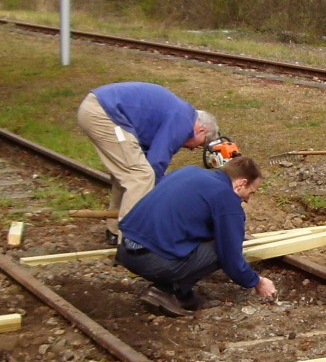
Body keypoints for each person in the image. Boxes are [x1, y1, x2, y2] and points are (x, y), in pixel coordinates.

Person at [115, 155, 277, 316]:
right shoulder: (226, 197)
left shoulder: (189, 171)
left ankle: (183, 296)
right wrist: (257, 282)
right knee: (221, 249)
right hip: (151, 261)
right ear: (241, 183)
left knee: (215, 239)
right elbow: (231, 259)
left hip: (125, 249)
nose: (248, 200)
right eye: (251, 192)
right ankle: (164, 292)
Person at [77, 82, 217, 245]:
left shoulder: (180, 114)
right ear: (202, 130)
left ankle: (114, 230)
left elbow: (149, 155)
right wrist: (162, 195)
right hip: (104, 113)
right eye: (200, 144)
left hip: (99, 108)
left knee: (128, 175)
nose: (194, 149)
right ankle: (130, 242)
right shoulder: (183, 121)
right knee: (141, 176)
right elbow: (156, 162)